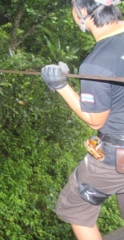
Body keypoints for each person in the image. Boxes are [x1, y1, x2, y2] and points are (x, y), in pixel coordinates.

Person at [41, 0, 124, 239]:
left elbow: (95, 120)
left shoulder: (98, 62)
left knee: (74, 206)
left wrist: (61, 85)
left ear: (83, 11)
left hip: (117, 156)